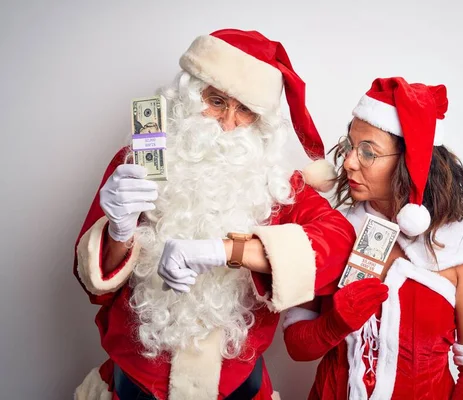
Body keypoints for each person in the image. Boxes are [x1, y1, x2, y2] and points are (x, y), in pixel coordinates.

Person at [73, 28, 355, 400]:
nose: (227, 123)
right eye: (217, 100)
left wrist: (225, 250)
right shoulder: (136, 164)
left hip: (238, 390)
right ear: (189, 97)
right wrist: (119, 231)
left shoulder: (279, 187)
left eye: (246, 111)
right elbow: (94, 287)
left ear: (262, 123)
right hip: (134, 388)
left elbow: (339, 241)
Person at [282, 77, 463, 399]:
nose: (348, 162)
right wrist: (333, 324)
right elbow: (296, 347)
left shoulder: (462, 247)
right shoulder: (332, 231)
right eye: (350, 146)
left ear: (410, 161)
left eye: (368, 152)